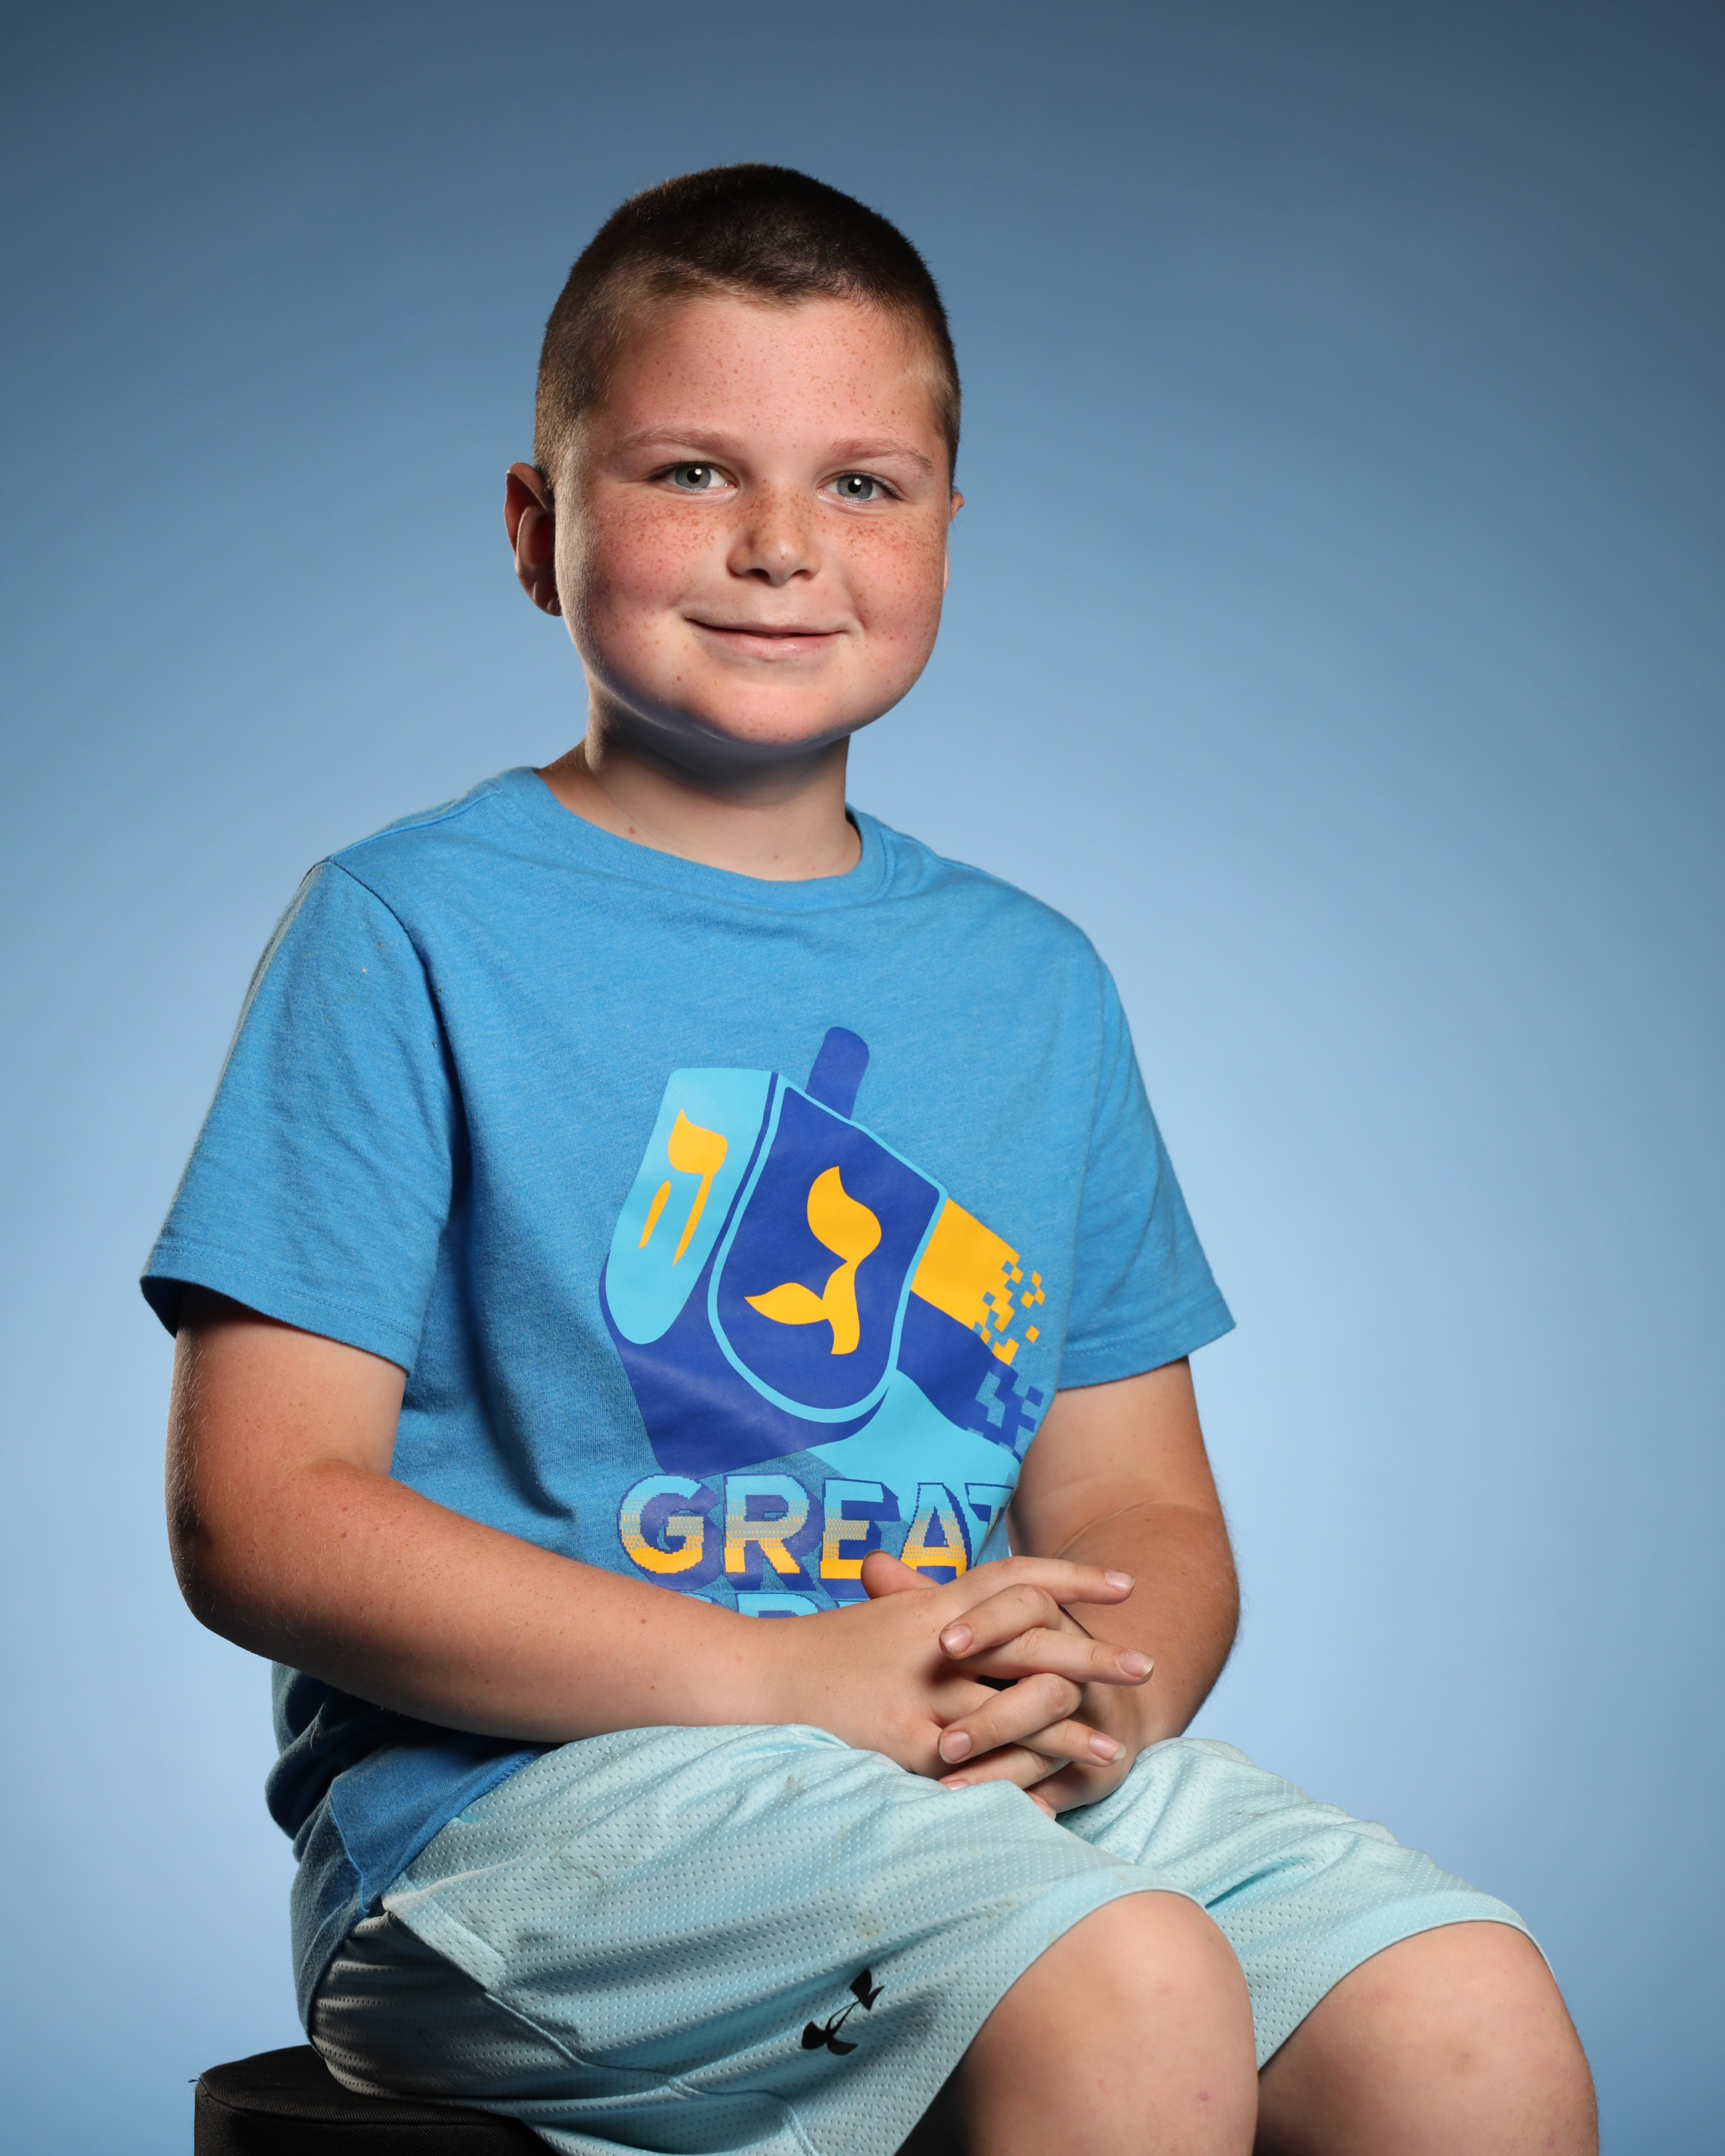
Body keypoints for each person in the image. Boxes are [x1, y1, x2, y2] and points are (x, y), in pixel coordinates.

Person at [147, 165, 1596, 2156]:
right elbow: (260, 1519)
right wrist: (788, 1680)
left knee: (1464, 2013)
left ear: (944, 533)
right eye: (689, 472)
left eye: (860, 484)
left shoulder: (1033, 984)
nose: (777, 546)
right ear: (537, 529)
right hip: (516, 1826)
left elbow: (1142, 1507)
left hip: (940, 1775)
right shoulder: (406, 932)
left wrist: (1086, 1692)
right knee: (1123, 1975)